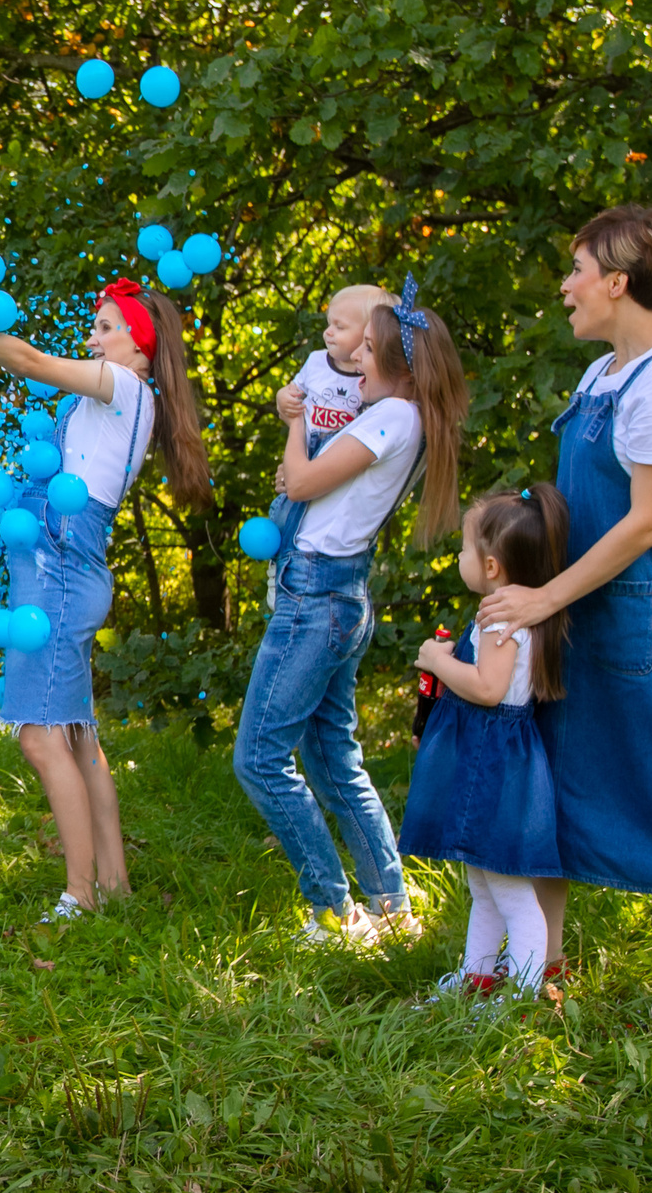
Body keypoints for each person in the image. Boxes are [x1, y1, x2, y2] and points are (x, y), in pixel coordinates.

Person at [0, 278, 213, 919]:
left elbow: (32, 362)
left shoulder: (125, 386)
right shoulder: (120, 396)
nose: (92, 338)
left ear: (140, 346)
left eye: (106, 328)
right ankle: (113, 884)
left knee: (40, 738)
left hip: (61, 573)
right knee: (77, 736)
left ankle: (81, 895)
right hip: (65, 568)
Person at [477, 206, 652, 992]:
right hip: (578, 613)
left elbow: (647, 521)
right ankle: (539, 966)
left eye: (578, 269)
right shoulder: (603, 375)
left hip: (646, 618)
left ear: (617, 282)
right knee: (556, 780)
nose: (566, 286)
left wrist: (542, 597)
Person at [233, 276, 465, 946]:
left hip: (317, 600)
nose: (353, 360)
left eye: (366, 351)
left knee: (259, 758)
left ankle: (336, 911)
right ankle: (390, 906)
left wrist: (293, 428)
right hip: (333, 593)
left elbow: (302, 480)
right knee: (333, 757)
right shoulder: (398, 415)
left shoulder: (393, 416)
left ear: (397, 363)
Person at [402, 485, 571, 996]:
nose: (458, 557)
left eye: (464, 549)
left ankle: (521, 992)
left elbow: (489, 690)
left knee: (509, 888)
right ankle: (477, 975)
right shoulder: (508, 614)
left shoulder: (501, 621)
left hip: (493, 762)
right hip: (489, 756)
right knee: (482, 882)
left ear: (492, 566)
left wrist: (438, 662)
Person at [267, 284, 397, 563]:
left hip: (334, 461)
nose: (328, 332)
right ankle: (277, 566)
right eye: (329, 324)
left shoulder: (369, 384)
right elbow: (290, 393)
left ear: (366, 334)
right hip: (304, 450)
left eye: (339, 327)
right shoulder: (316, 362)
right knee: (284, 511)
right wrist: (282, 399)